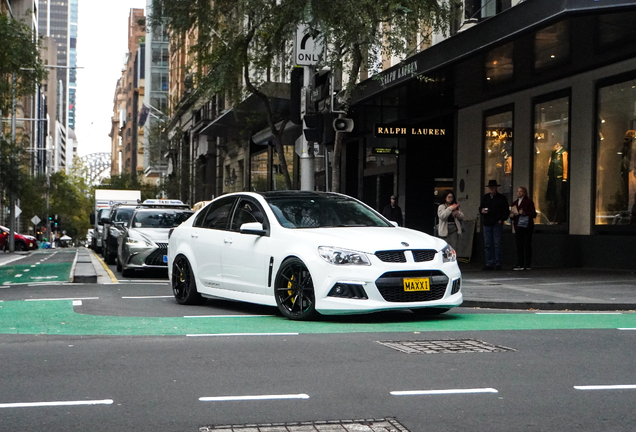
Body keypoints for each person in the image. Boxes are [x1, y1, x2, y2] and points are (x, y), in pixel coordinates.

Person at [479, 179, 510, 270]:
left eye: (493, 187)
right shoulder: (485, 197)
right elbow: (481, 208)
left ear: (496, 188)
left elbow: (506, 210)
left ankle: (498, 263)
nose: (491, 189)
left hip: (496, 223)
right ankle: (489, 263)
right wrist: (482, 211)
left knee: (497, 244)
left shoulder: (501, 198)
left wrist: (502, 219)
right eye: (490, 187)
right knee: (488, 244)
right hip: (487, 223)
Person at [510, 186, 537, 270]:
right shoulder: (514, 203)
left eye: (520, 191)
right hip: (518, 226)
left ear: (524, 193)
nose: (518, 193)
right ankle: (520, 263)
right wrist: (512, 215)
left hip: (527, 226)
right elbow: (512, 216)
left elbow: (533, 214)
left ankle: (527, 264)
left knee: (527, 244)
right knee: (519, 245)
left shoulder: (529, 202)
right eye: (517, 191)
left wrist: (525, 212)